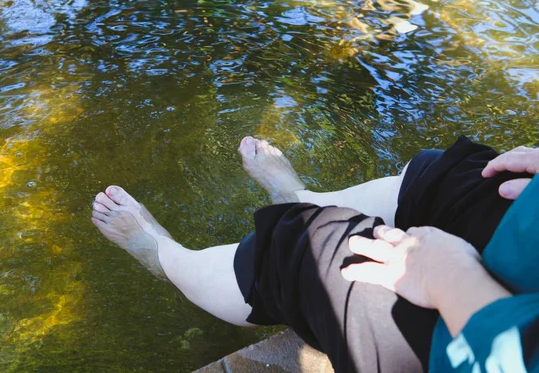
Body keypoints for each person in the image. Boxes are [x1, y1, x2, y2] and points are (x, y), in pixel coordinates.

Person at [91, 136, 539, 372]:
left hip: (479, 349)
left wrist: (455, 279)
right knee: (452, 175)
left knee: (307, 247)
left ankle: (164, 257)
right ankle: (302, 194)